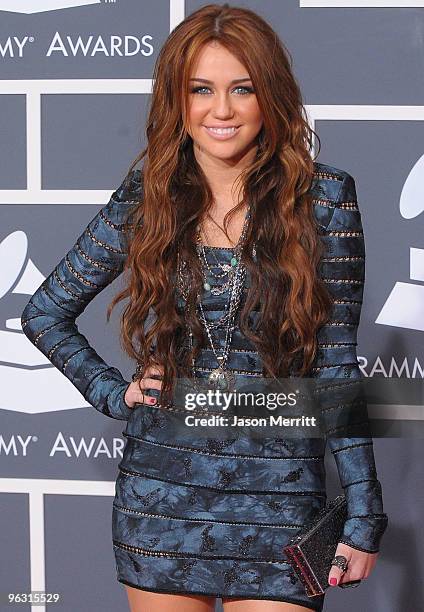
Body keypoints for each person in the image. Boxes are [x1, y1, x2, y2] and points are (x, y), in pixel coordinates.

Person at [20, 4, 388, 611]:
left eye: (242, 89)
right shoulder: (150, 198)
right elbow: (44, 312)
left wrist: (363, 514)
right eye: (201, 90)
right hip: (161, 499)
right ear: (177, 101)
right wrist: (115, 393)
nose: (221, 110)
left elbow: (336, 365)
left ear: (270, 96)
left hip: (282, 500)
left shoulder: (324, 197)